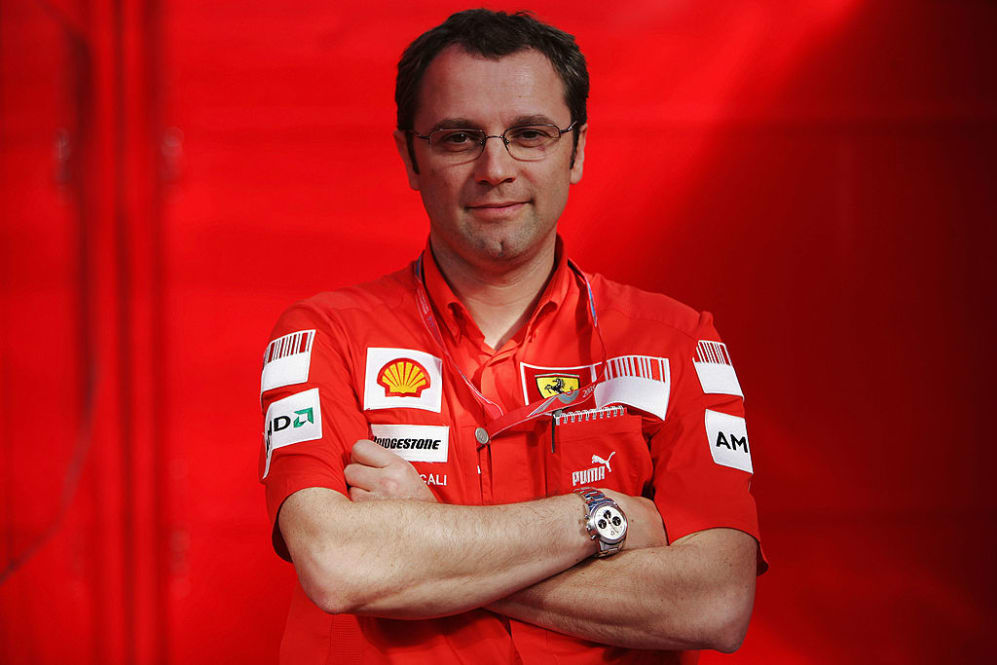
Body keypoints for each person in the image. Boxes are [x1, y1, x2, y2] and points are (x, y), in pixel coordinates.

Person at [259, 9, 765, 665]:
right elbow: (340, 564)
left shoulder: (679, 341)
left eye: (530, 134)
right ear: (409, 156)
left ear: (577, 149)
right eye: (457, 138)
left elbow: (713, 602)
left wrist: (423, 542)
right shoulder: (322, 334)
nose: (494, 168)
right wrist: (599, 517)